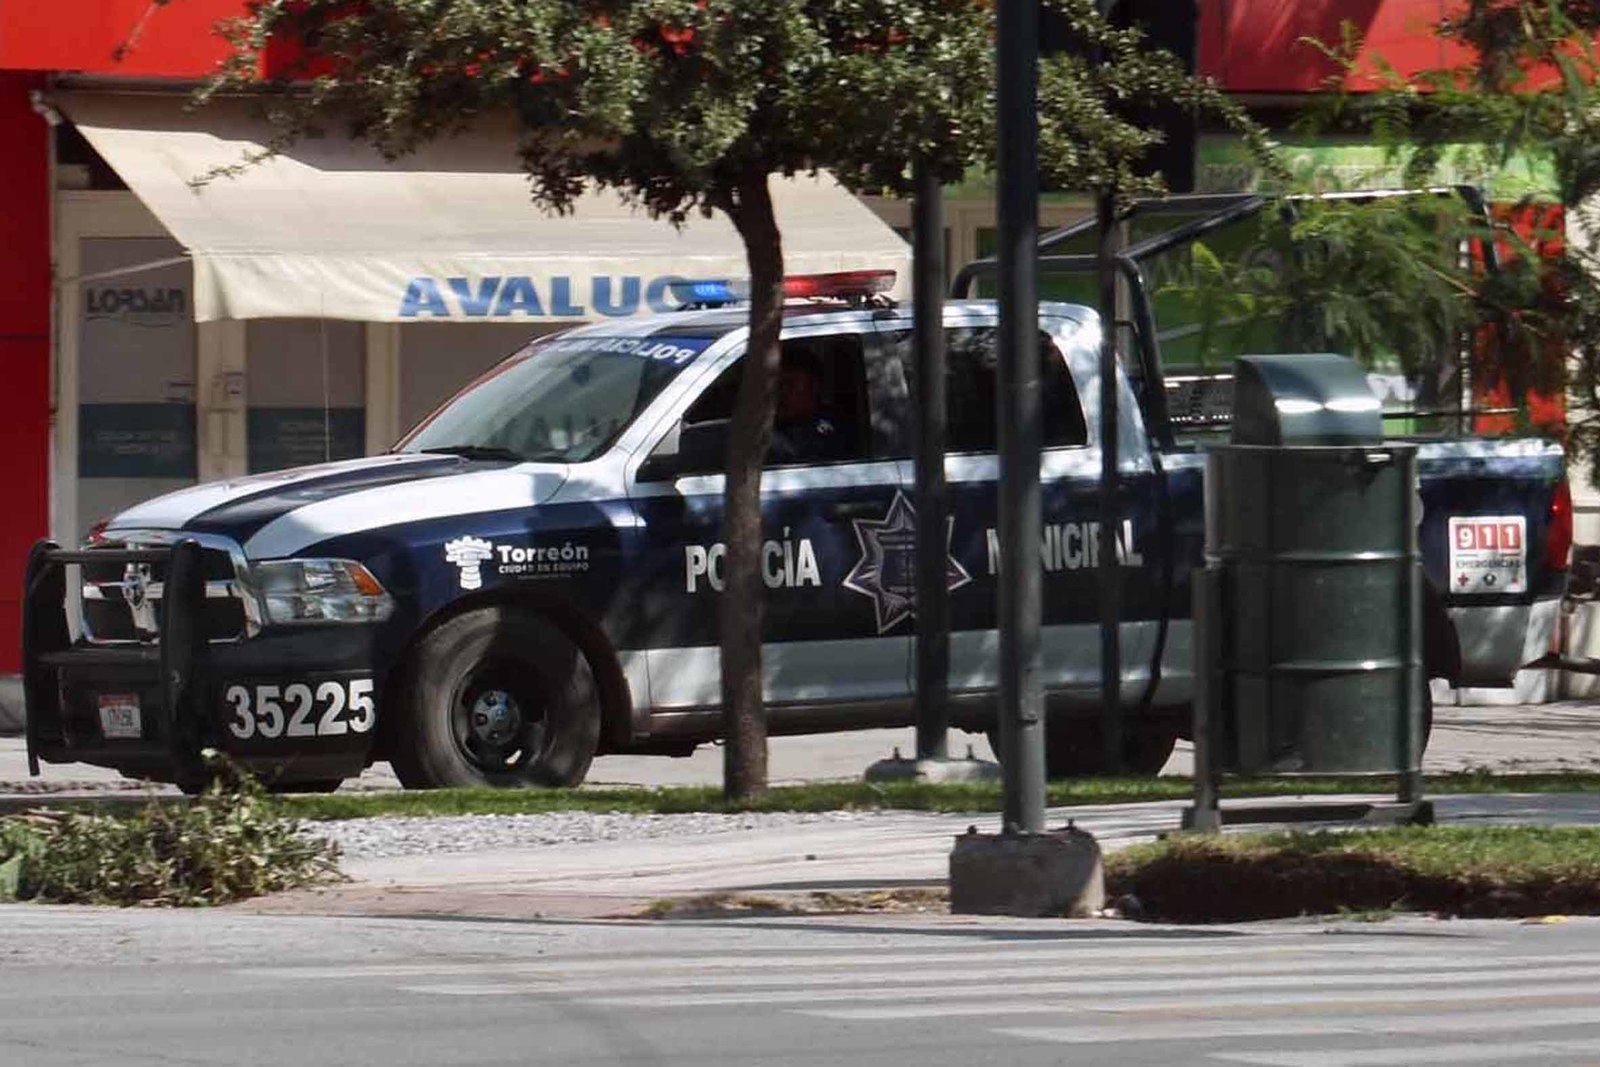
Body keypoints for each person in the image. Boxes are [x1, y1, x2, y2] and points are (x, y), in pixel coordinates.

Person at [768, 354, 842, 464]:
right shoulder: (772, 424)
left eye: (790, 384)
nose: (782, 392)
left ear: (813, 387)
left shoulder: (829, 429)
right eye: (779, 385)